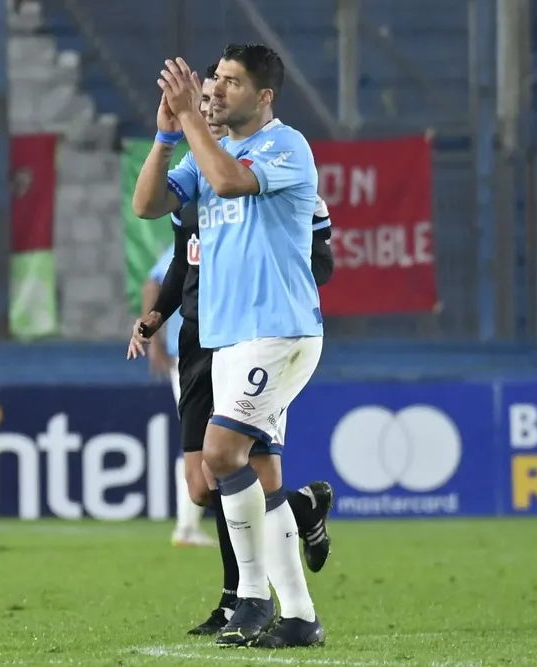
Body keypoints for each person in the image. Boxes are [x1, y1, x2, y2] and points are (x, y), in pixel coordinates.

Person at [131, 44, 326, 648]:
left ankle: (248, 600)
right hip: (229, 338)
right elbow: (147, 205)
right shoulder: (206, 150)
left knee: (218, 457)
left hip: (275, 330)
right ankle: (296, 615)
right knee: (258, 474)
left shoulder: (283, 145)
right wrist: (166, 137)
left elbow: (228, 181)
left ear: (264, 96)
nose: (217, 91)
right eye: (214, 81)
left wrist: (190, 116)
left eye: (232, 83)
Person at [142, 246, 217, 548]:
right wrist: (154, 340)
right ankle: (186, 525)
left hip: (216, 351)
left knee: (209, 437)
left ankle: (188, 525)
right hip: (190, 355)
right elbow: (154, 282)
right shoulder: (195, 234)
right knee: (202, 438)